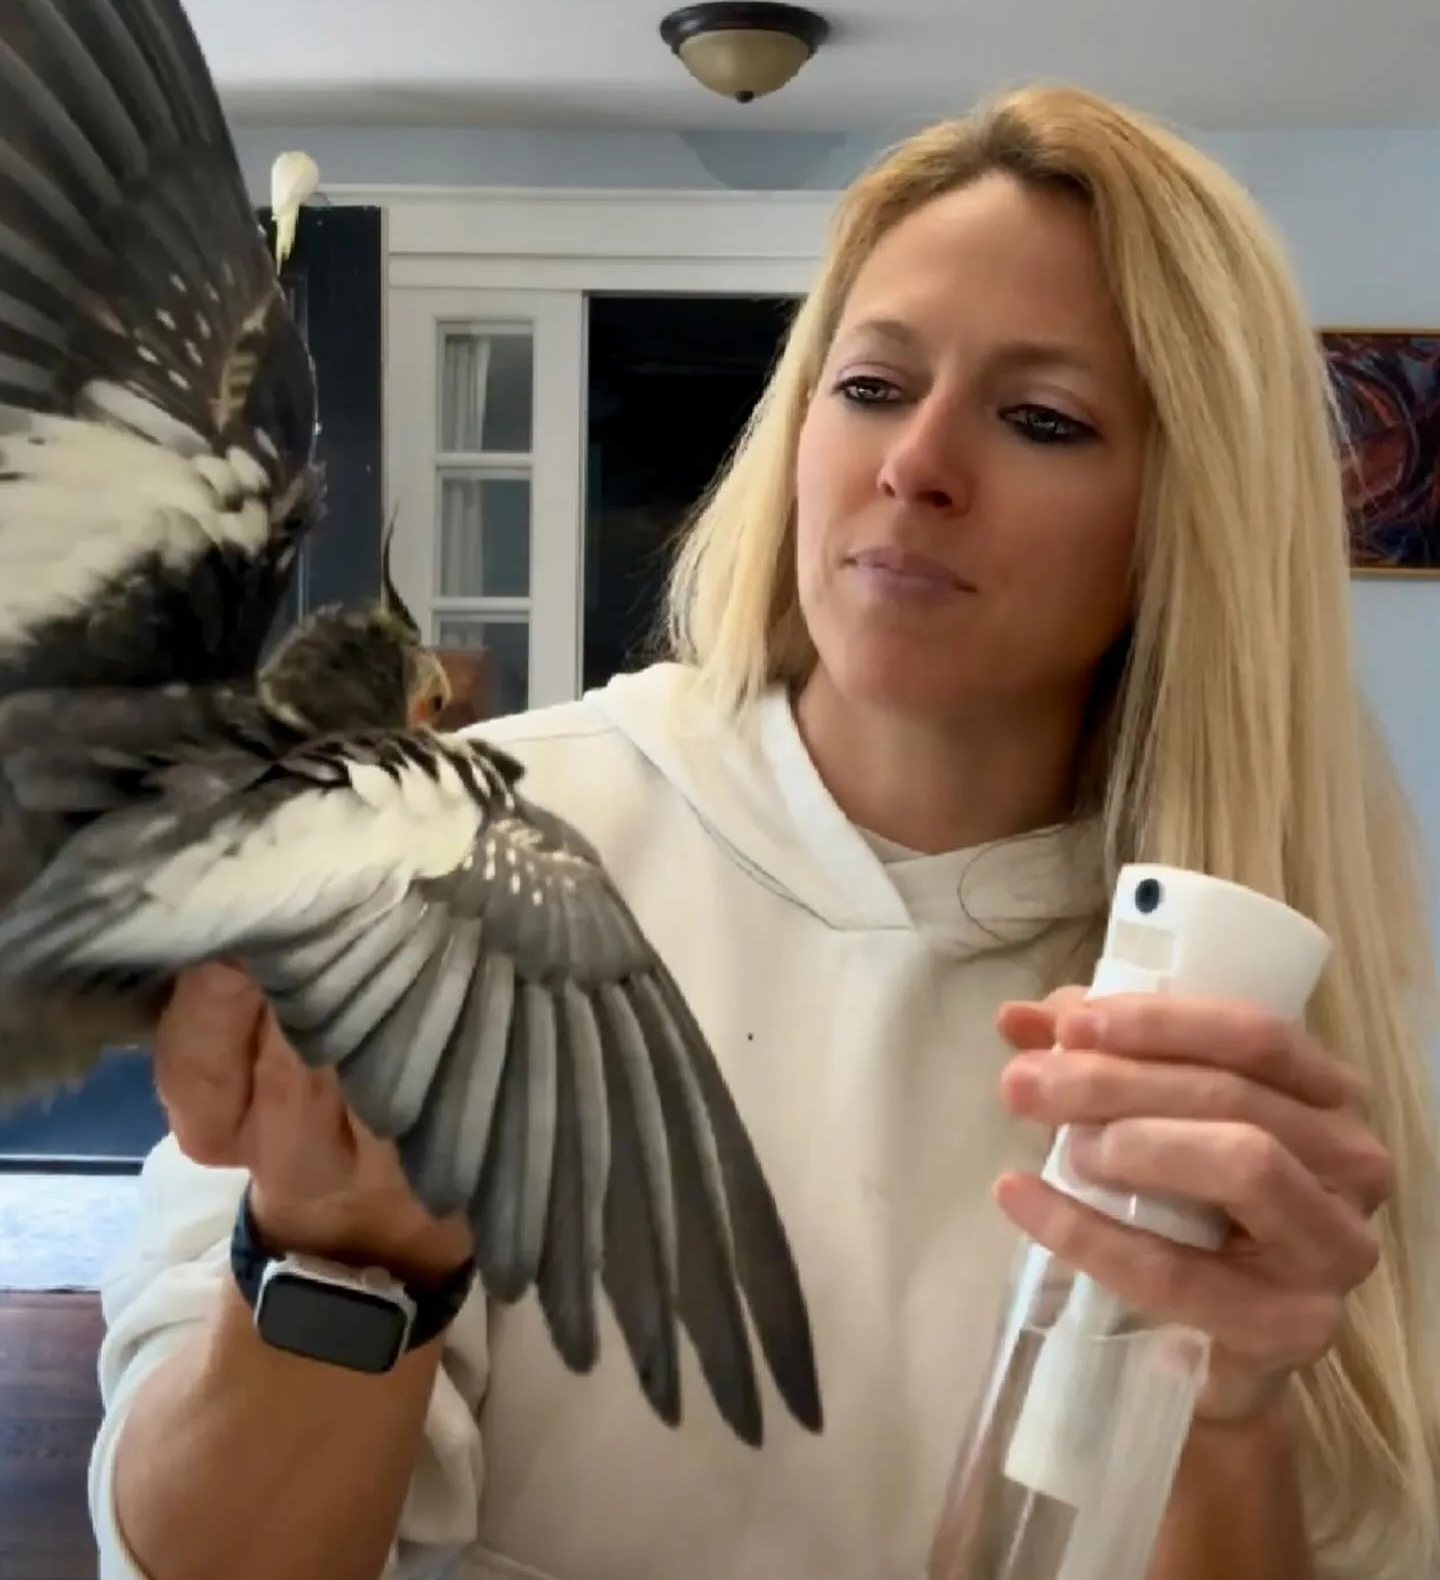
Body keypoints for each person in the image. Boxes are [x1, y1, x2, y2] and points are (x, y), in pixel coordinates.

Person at [89, 83, 1440, 1580]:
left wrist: (1228, 1418)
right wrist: (341, 1254)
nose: (913, 465)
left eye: (1043, 418)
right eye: (871, 386)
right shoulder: (451, 861)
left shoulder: (1264, 1035)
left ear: (1189, 518)